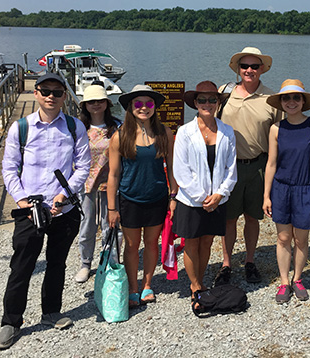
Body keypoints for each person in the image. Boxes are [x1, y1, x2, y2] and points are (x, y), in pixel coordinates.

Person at [0, 73, 90, 349]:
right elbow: (9, 168)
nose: (51, 96)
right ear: (35, 93)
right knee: (21, 266)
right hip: (31, 209)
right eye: (45, 91)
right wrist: (21, 199)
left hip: (64, 208)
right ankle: (11, 322)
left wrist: (64, 195)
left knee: (57, 262)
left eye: (57, 92)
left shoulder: (74, 127)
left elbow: (83, 166)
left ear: (64, 97)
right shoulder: (21, 128)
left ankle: (51, 312)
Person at [263, 79, 310, 303]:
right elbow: (271, 163)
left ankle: (298, 278)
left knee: (301, 239)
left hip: (306, 189)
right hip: (281, 189)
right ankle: (284, 282)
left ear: (303, 101)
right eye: (286, 98)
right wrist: (266, 195)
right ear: (281, 102)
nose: (291, 102)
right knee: (283, 237)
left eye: (296, 97)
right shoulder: (276, 128)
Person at [215, 46, 284, 286]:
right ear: (238, 69)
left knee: (252, 218)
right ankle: (226, 264)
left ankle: (250, 261)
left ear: (262, 69)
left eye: (255, 66)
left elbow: (279, 136)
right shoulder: (223, 95)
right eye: (245, 66)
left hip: (258, 166)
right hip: (228, 168)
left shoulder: (272, 99)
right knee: (229, 219)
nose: (249, 70)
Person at [107, 84, 178, 307]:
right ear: (130, 107)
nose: (144, 108)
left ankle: (147, 284)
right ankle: (133, 287)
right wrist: (112, 208)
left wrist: (173, 196)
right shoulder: (120, 136)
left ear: (155, 107)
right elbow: (113, 174)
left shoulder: (164, 133)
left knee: (151, 243)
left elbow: (173, 168)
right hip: (130, 199)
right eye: (138, 103)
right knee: (130, 245)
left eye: (149, 104)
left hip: (157, 198)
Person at [173, 81, 237, 303]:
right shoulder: (184, 132)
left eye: (212, 99)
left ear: (218, 103)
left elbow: (231, 168)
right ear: (195, 103)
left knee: (207, 241)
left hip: (217, 199)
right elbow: (180, 171)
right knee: (191, 242)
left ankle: (201, 279)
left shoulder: (227, 132)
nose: (207, 103)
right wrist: (202, 197)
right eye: (202, 100)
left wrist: (220, 194)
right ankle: (195, 285)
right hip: (191, 200)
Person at [74, 84, 122, 283]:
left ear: (106, 103)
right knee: (87, 226)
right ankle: (85, 263)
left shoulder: (117, 126)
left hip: (112, 183)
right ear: (85, 105)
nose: (96, 105)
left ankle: (110, 260)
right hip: (86, 184)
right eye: (91, 102)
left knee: (111, 223)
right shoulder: (78, 127)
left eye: (100, 101)